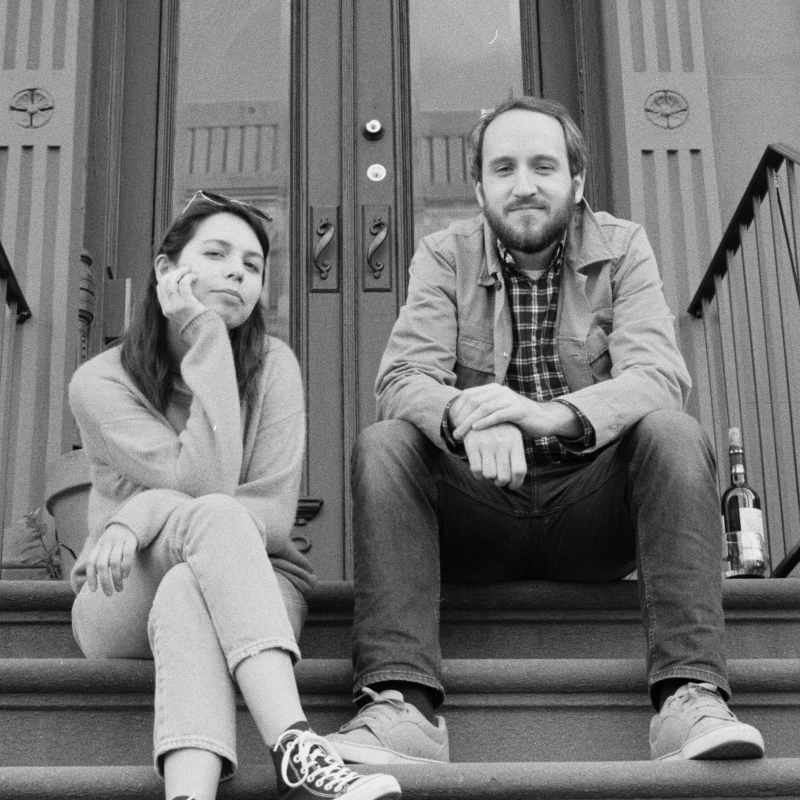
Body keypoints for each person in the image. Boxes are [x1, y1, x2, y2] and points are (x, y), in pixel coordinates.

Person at [326, 97, 766, 764]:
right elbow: (402, 378)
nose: (524, 185)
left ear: (576, 181)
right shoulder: (443, 255)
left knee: (673, 432)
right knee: (385, 444)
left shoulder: (623, 247)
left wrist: (545, 414)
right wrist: (468, 420)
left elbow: (658, 375)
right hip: (479, 512)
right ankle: (400, 709)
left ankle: (691, 699)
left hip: (591, 515)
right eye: (503, 169)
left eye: (543, 166)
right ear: (480, 189)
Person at [69, 192, 402, 800]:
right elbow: (206, 487)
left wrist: (136, 512)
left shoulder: (275, 367)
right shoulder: (100, 382)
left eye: (252, 265)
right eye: (217, 255)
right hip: (121, 590)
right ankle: (295, 745)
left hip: (260, 579)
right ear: (167, 271)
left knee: (190, 587)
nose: (237, 274)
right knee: (213, 520)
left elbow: (270, 516)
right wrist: (206, 337)